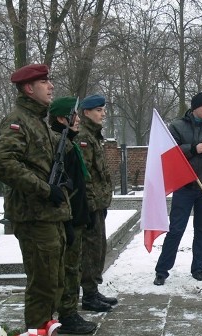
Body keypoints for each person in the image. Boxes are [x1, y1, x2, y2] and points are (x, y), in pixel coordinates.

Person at [0, 64, 71, 330]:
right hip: (34, 215)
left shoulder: (37, 121)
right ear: (28, 88)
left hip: (48, 216)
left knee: (56, 281)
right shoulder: (18, 120)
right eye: (44, 82)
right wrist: (46, 190)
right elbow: (2, 162)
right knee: (43, 286)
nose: (51, 86)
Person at [154, 92, 202, 285]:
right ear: (195, 108)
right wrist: (193, 148)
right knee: (176, 229)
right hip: (185, 186)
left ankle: (198, 268)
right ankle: (162, 270)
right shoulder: (177, 127)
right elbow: (168, 152)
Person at [49, 96, 97, 335]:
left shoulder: (70, 143)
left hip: (76, 216)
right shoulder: (60, 145)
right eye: (73, 116)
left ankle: (70, 312)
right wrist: (69, 220)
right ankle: (67, 316)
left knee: (74, 267)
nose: (77, 120)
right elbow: (63, 188)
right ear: (61, 119)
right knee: (68, 269)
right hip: (68, 218)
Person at [78, 94, 118, 312]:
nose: (103, 114)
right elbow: (84, 176)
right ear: (86, 112)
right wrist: (92, 203)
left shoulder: (92, 136)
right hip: (91, 205)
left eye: (103, 110)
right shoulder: (83, 137)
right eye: (98, 110)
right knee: (91, 250)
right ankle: (89, 295)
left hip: (98, 204)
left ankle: (92, 291)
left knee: (98, 248)